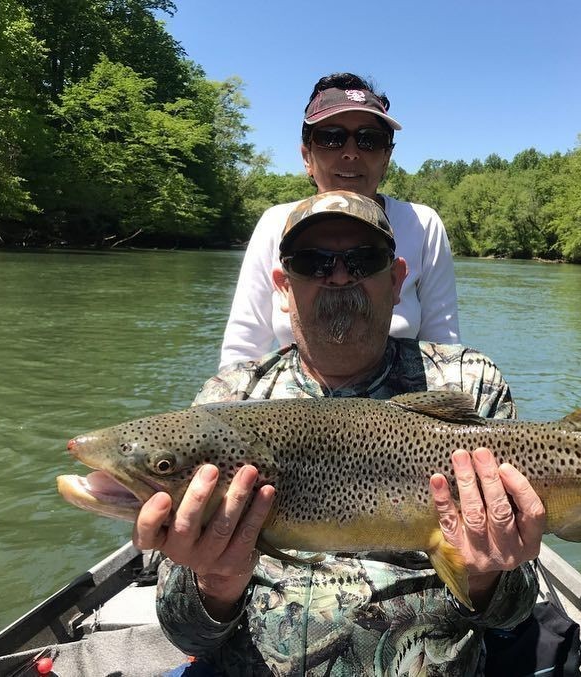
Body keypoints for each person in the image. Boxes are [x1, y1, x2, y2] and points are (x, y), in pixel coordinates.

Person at [134, 191, 546, 675]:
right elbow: (187, 634)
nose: (339, 275)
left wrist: (486, 578)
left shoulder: (469, 386)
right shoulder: (230, 397)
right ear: (284, 287)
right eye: (313, 262)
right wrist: (214, 582)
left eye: (362, 259)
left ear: (396, 281)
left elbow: (512, 612)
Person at [219, 73, 460, 369]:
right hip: (295, 408)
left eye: (369, 140)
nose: (350, 153)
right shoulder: (274, 223)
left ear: (386, 157)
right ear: (307, 155)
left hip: (400, 408)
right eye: (331, 138)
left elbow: (445, 352)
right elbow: (241, 351)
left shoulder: (423, 224)